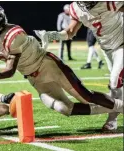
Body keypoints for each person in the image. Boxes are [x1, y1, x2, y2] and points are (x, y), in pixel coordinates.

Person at [0, 3, 123, 127]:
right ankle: (116, 108)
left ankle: (120, 107)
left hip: (47, 65)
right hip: (34, 77)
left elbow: (9, 71)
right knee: (64, 109)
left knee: (85, 96)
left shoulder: (13, 35)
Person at [34, 1, 124, 132]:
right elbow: (70, 32)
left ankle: (112, 120)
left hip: (121, 44)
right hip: (107, 50)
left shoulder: (108, 2)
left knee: (115, 82)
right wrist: (51, 35)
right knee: (117, 86)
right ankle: (113, 118)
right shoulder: (77, 8)